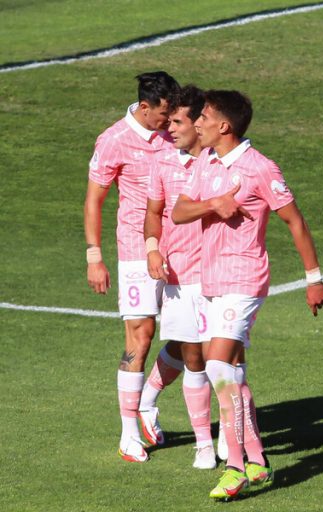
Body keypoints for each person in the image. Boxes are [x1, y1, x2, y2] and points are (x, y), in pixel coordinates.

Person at [172, 90, 323, 500]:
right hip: (210, 281)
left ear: (224, 125)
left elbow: (294, 221)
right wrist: (214, 204)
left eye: (204, 116)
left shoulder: (260, 167)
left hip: (244, 279)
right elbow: (179, 212)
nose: (197, 122)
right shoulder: (205, 161)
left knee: (216, 366)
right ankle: (258, 460)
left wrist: (314, 278)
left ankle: (236, 466)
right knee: (232, 373)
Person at [84, 71, 180, 463]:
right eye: (163, 114)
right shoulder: (113, 141)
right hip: (136, 250)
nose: (168, 122)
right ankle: (128, 436)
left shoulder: (176, 131)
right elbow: (94, 200)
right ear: (144, 107)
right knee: (141, 336)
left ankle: (147, 399)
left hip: (182, 247)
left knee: (191, 339)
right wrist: (94, 256)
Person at [142, 84, 219, 469]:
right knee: (195, 355)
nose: (168, 129)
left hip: (223, 272)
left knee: (220, 355)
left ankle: (147, 396)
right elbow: (153, 212)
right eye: (168, 121)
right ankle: (204, 445)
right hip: (182, 272)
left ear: (198, 123)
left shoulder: (221, 162)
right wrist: (152, 248)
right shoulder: (163, 163)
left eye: (177, 122)